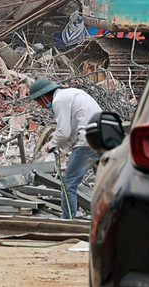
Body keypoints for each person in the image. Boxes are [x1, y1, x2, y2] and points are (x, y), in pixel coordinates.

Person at [28, 77, 101, 219]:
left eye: (38, 102)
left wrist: (51, 145)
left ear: (43, 97)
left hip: (88, 141)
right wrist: (63, 147)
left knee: (69, 184)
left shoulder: (59, 100)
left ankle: (68, 221)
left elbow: (64, 132)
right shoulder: (70, 94)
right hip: (102, 138)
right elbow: (72, 130)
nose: (40, 105)